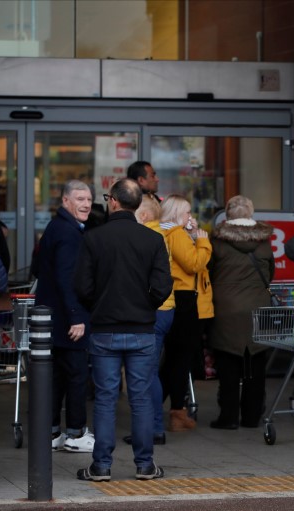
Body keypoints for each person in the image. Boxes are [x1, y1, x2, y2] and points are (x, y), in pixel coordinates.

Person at [73, 178, 172, 481]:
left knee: (105, 398)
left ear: (113, 201)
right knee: (140, 398)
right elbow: (163, 287)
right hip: (142, 328)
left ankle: (101, 466)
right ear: (138, 204)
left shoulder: (93, 238)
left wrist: (98, 306)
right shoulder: (152, 240)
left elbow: (82, 286)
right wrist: (145, 305)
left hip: (104, 329)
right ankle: (145, 465)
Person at [32, 180, 95, 453]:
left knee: (56, 376)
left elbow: (37, 268)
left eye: (89, 200)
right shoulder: (69, 233)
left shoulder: (56, 227)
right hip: (68, 319)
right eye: (80, 199)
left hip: (53, 318)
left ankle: (54, 432)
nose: (86, 204)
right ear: (66, 201)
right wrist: (75, 316)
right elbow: (67, 278)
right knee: (77, 375)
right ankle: (76, 434)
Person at [207, 195, 275, 429]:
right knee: (256, 364)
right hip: (257, 307)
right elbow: (269, 274)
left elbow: (209, 272)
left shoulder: (216, 240)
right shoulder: (264, 241)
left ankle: (228, 417)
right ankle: (252, 416)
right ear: (250, 214)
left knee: (228, 365)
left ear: (227, 215)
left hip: (226, 308)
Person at [121, 194, 175, 446]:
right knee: (148, 370)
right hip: (164, 310)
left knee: (145, 372)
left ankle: (153, 428)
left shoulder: (148, 238)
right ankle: (152, 427)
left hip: (154, 311)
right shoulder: (158, 236)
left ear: (142, 216)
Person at [159, 195, 212, 432]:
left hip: (178, 298)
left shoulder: (167, 233)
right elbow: (193, 264)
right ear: (177, 213)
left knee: (174, 359)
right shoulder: (176, 234)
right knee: (179, 360)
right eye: (187, 212)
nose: (191, 216)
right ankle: (174, 411)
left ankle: (168, 409)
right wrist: (203, 242)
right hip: (185, 300)